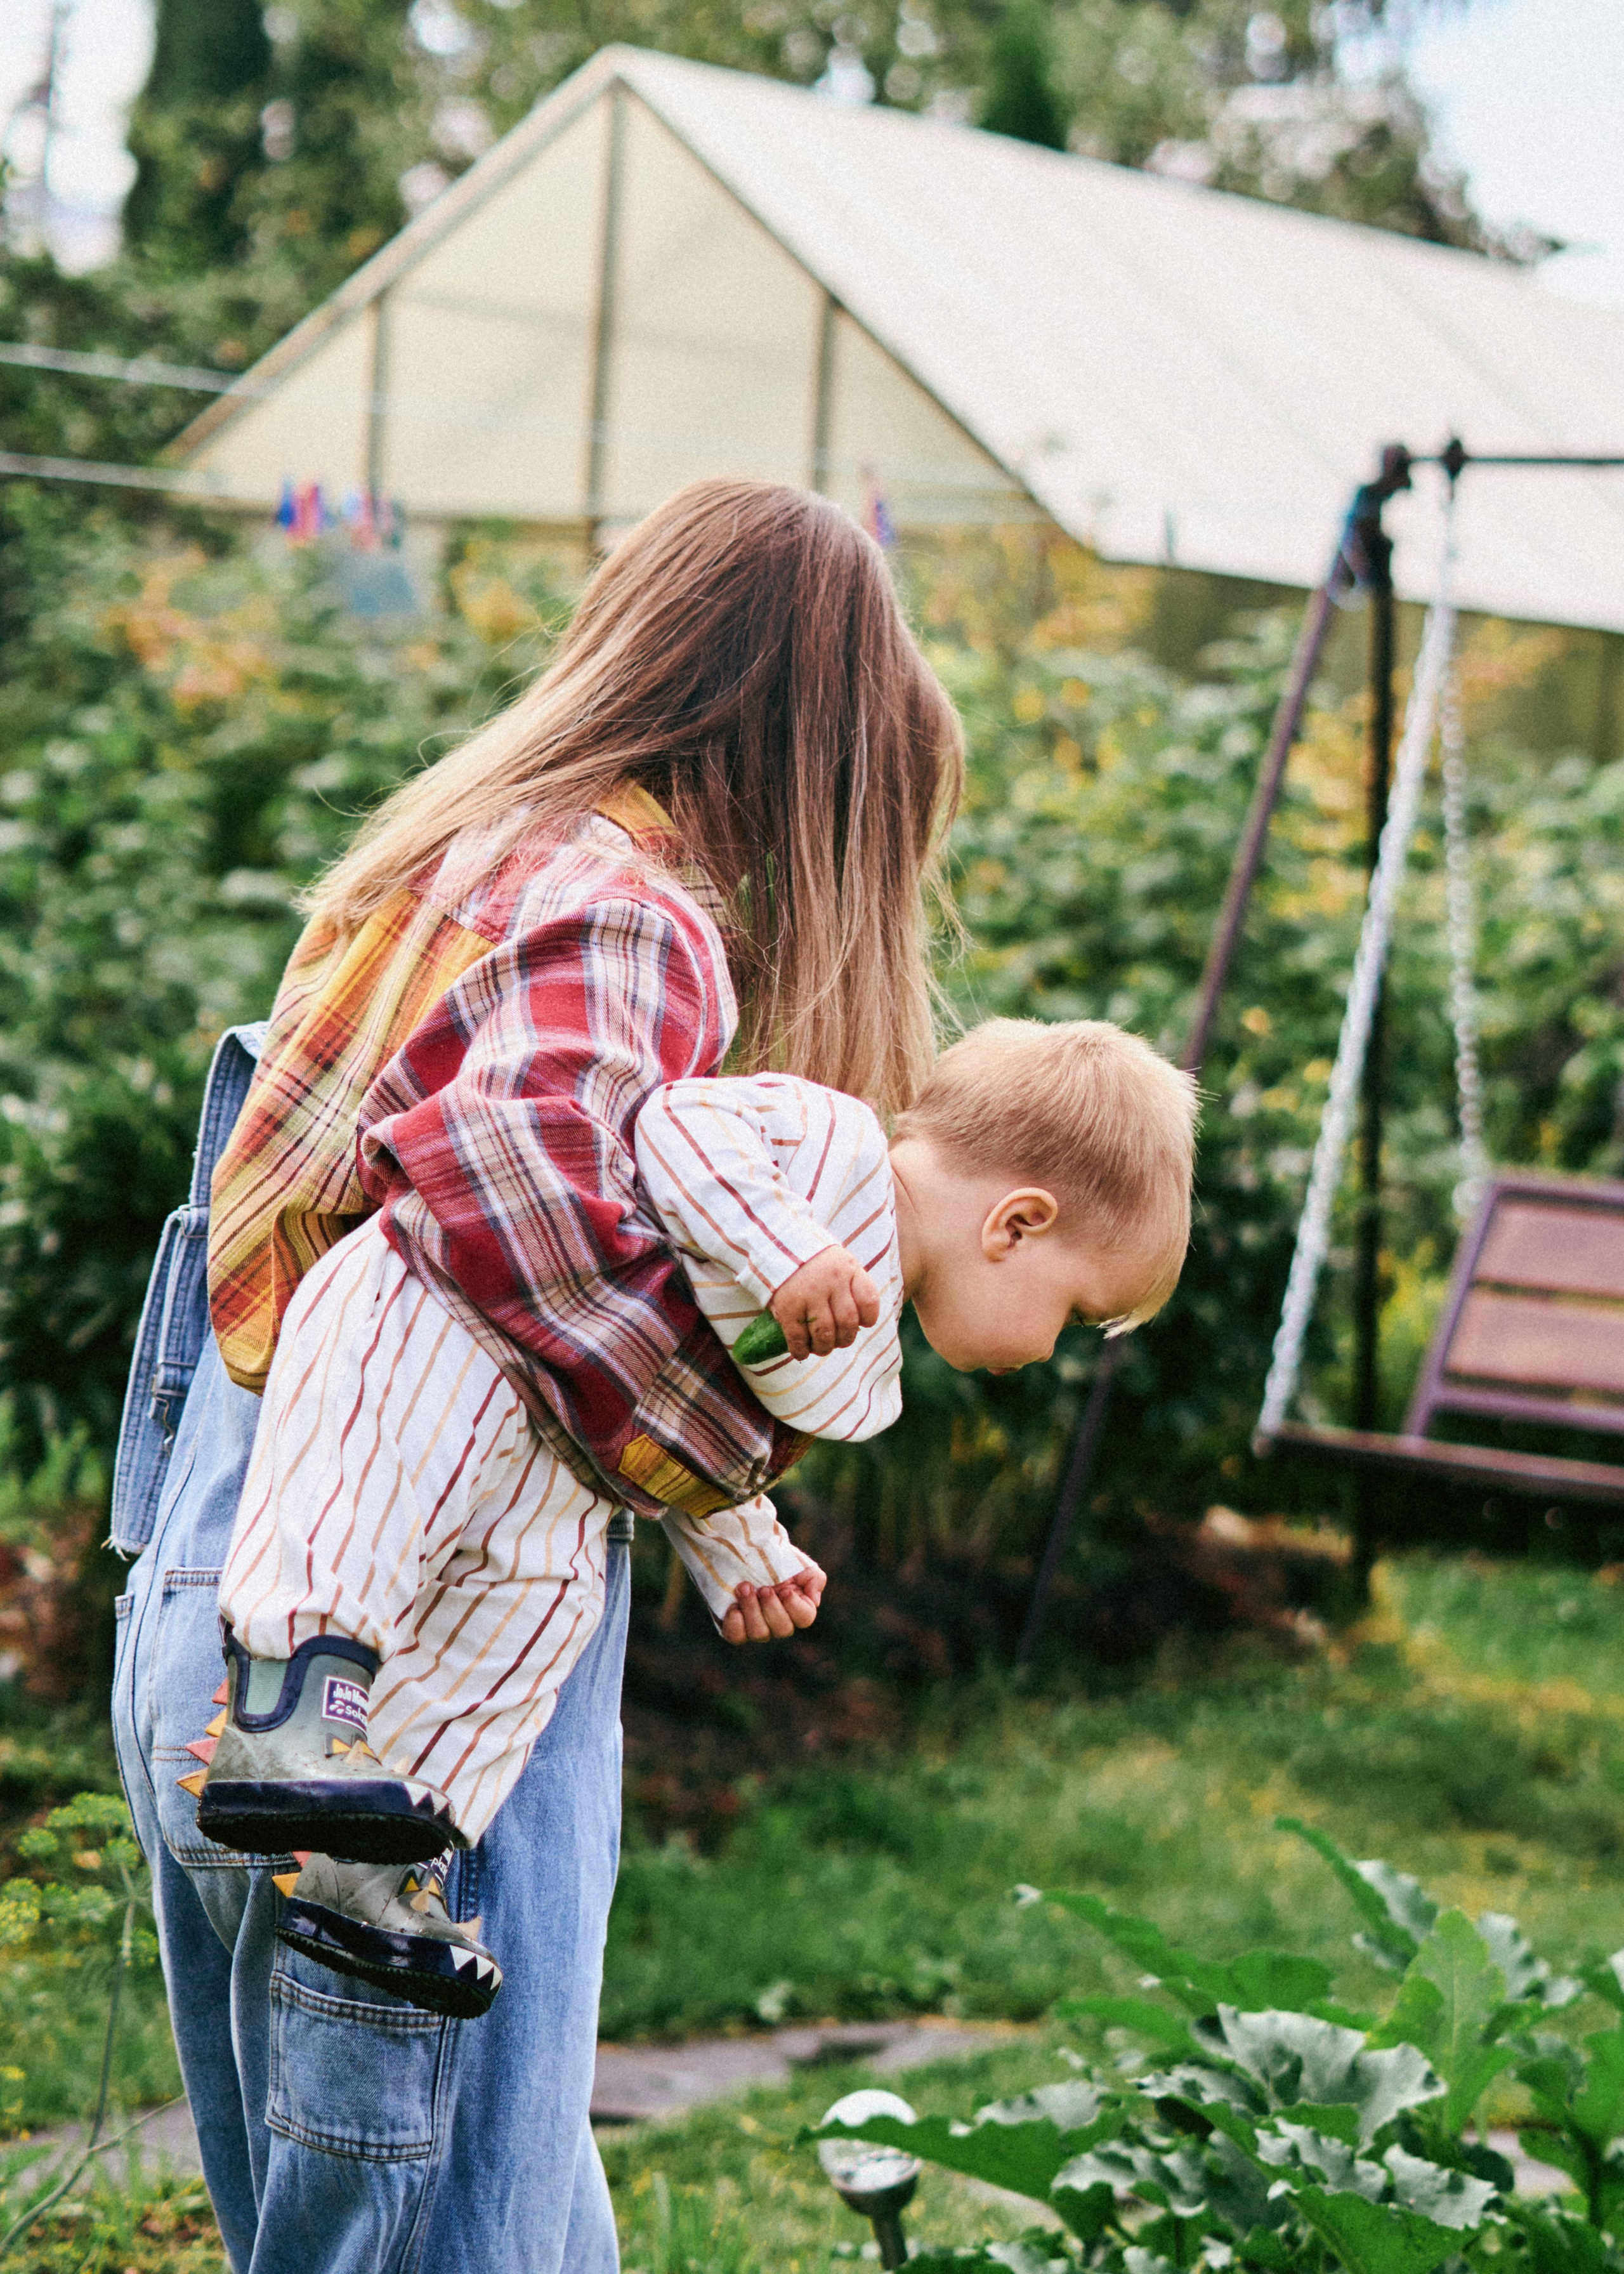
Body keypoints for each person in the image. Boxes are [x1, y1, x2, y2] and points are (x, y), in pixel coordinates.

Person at [108, 478, 961, 2274]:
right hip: (408, 1672)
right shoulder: (628, 912)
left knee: (462, 2219)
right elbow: (506, 1188)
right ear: (803, 754)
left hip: (242, 1603)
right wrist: (725, 1464)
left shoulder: (444, 866)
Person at [193, 1018, 1196, 2016]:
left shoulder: (864, 1318)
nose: (1050, 1349)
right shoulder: (828, 1146)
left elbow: (695, 1392)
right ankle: (288, 1710)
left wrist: (744, 1548)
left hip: (557, 1442)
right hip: (443, 1303)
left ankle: (357, 1880)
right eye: (1071, 1312)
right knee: (370, 1496)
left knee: (537, 1617)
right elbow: (674, 1128)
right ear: (1015, 1224)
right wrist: (784, 1248)